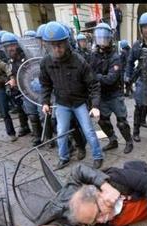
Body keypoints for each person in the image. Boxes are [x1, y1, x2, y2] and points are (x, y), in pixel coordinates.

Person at [39, 21, 104, 170]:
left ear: (66, 43)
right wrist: (45, 102)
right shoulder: (46, 62)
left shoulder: (78, 60)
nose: (57, 49)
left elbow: (93, 84)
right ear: (47, 46)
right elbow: (45, 84)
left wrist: (95, 105)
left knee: (88, 131)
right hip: (62, 103)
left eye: (59, 44)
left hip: (79, 102)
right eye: (52, 45)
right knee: (61, 132)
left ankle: (97, 156)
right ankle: (63, 158)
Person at [90, 23, 134, 154]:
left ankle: (129, 141)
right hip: (102, 95)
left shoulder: (115, 57)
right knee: (103, 121)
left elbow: (110, 79)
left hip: (115, 94)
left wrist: (96, 76)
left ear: (110, 39)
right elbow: (89, 73)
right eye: (99, 38)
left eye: (105, 38)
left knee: (122, 122)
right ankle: (113, 140)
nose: (102, 41)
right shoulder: (94, 56)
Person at [125, 12, 147, 142]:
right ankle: (136, 131)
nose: (146, 30)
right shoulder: (137, 45)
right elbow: (130, 61)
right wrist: (127, 74)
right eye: (144, 27)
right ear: (141, 28)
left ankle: (144, 120)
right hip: (142, 80)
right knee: (138, 106)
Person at [1, 32, 38, 141]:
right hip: (22, 92)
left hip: (33, 89)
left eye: (11, 45)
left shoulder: (27, 57)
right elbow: (11, 72)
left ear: (17, 45)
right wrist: (12, 79)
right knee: (31, 114)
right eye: (7, 47)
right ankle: (37, 135)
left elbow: (33, 72)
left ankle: (49, 135)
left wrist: (18, 81)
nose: (9, 49)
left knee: (42, 114)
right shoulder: (11, 61)